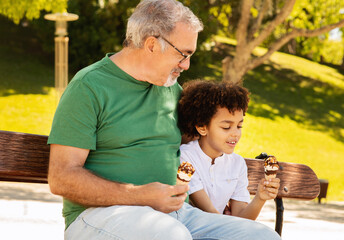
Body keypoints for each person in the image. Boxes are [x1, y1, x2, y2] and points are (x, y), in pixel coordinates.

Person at [47, 0, 281, 239]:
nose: (186, 65)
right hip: (100, 216)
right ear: (151, 45)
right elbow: (62, 178)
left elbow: (202, 139)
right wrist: (141, 195)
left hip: (175, 215)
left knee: (263, 237)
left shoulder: (172, 90)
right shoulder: (89, 86)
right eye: (183, 54)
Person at [178, 80, 280, 219]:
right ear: (202, 127)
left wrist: (260, 198)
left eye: (239, 126)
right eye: (226, 127)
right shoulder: (186, 157)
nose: (235, 133)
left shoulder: (237, 164)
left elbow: (242, 220)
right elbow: (208, 212)